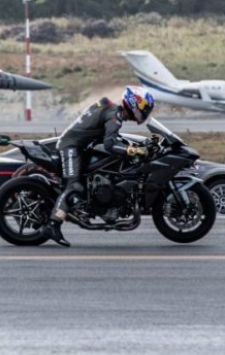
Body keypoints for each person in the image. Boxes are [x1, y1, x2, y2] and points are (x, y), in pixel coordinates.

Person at [42, 86, 155, 247]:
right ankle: (53, 224)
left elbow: (110, 137)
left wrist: (132, 145)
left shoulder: (112, 109)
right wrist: (133, 150)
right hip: (71, 146)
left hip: (81, 147)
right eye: (145, 107)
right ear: (135, 103)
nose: (146, 112)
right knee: (74, 185)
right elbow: (110, 145)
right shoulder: (114, 114)